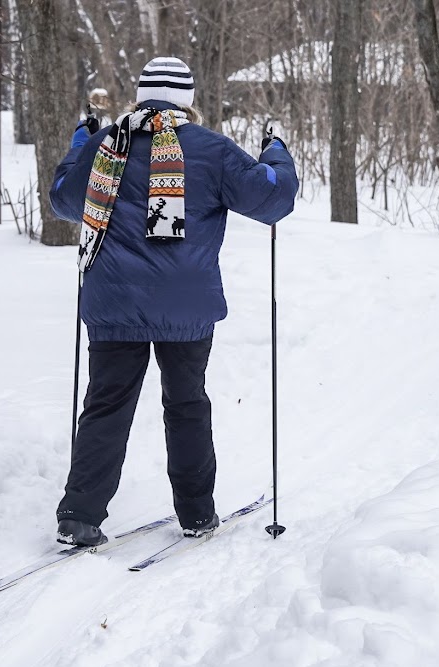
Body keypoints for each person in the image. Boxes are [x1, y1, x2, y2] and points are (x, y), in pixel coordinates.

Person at [48, 57, 299, 547]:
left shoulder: (107, 145)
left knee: (106, 405)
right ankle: (197, 514)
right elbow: (274, 199)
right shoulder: (211, 149)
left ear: (140, 96)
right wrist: (276, 151)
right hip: (186, 304)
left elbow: (64, 198)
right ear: (188, 101)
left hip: (114, 302)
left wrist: (81, 143)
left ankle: (78, 515)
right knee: (186, 404)